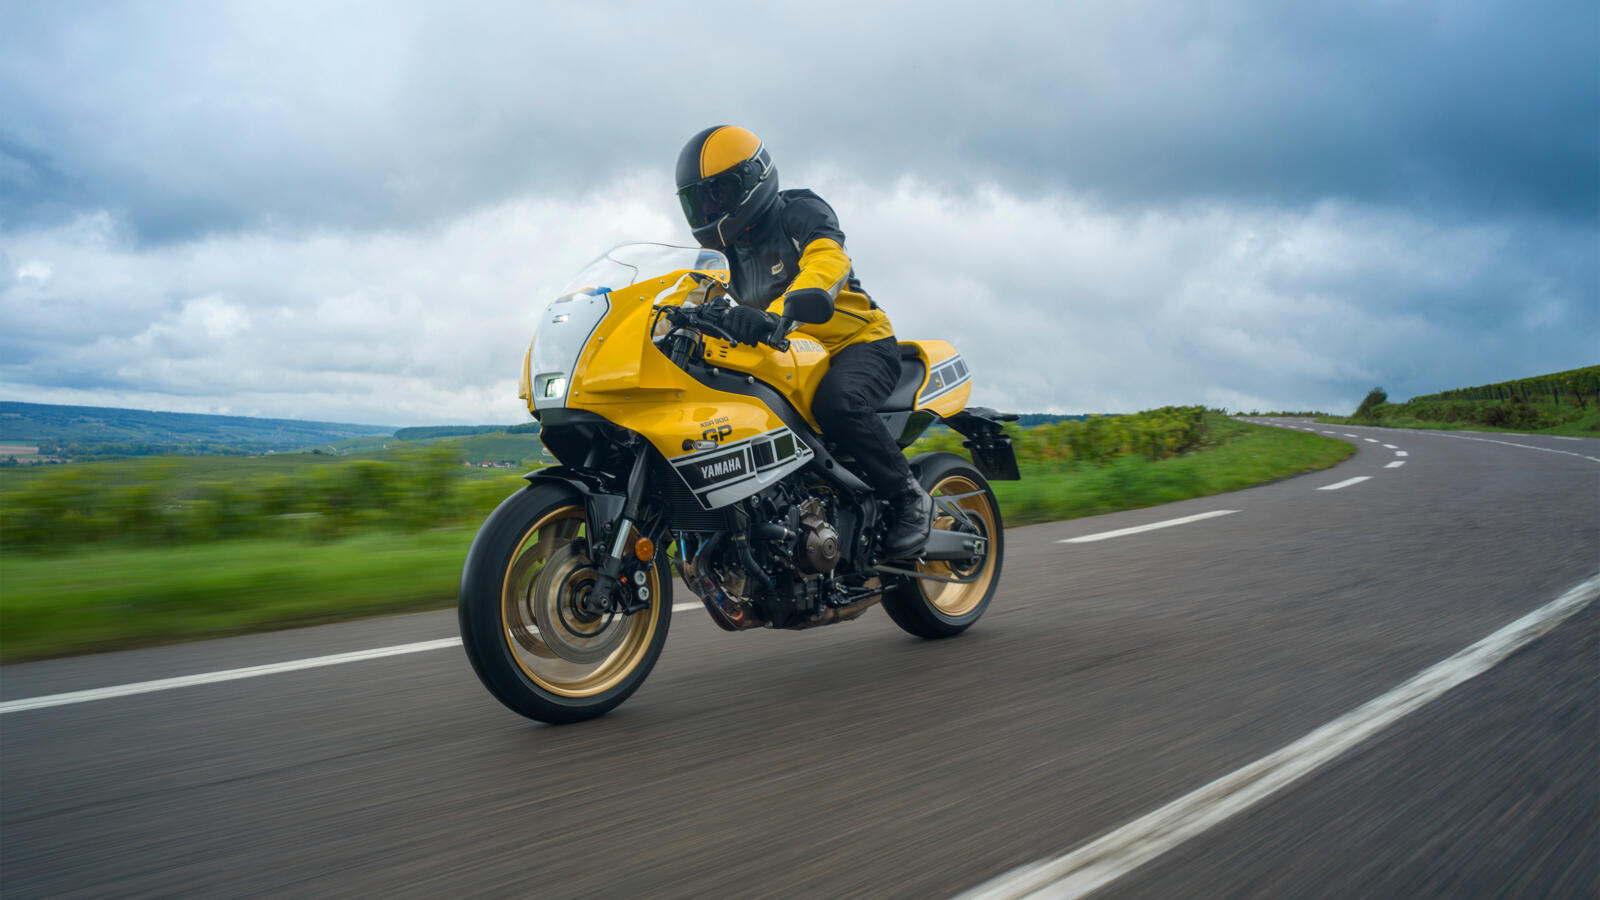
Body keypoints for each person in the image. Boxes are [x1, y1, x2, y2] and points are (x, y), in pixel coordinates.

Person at [675, 125, 932, 557]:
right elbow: (692, 290)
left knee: (838, 403)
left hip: (857, 343)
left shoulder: (797, 211)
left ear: (753, 178)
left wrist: (776, 314)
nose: (709, 209)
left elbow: (827, 258)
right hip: (789, 355)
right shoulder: (723, 254)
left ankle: (910, 498)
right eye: (699, 201)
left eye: (719, 194)